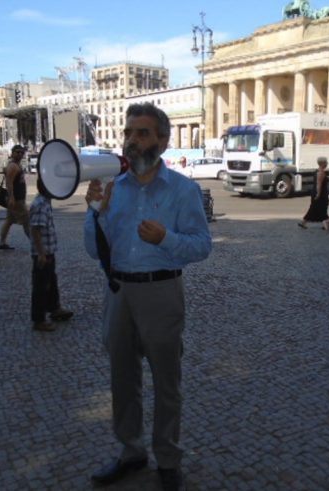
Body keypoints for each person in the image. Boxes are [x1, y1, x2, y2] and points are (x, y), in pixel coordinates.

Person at [84, 103, 212, 491]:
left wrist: (167, 239)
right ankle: (131, 452)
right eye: (128, 133)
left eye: (141, 133)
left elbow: (202, 246)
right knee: (122, 380)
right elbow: (93, 250)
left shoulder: (183, 190)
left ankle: (168, 458)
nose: (132, 141)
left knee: (166, 381)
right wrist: (95, 213)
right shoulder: (112, 190)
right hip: (119, 293)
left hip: (161, 292)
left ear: (162, 140)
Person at [29, 178, 74, 332]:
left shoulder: (44, 201)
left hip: (48, 251)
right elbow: (35, 230)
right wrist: (41, 254)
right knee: (41, 286)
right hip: (43, 253)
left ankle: (55, 308)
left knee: (51, 281)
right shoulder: (41, 204)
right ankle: (39, 319)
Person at [0, 145, 30, 250]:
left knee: (9, 220)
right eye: (17, 152)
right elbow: (9, 183)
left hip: (16, 198)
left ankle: (2, 243)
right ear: (12, 153)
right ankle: (35, 243)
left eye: (21, 152)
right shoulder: (13, 166)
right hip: (17, 199)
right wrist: (12, 197)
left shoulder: (16, 165)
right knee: (27, 220)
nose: (20, 154)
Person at [298, 156, 329, 229]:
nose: (327, 164)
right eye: (326, 162)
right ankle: (325, 225)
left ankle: (303, 223)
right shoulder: (321, 172)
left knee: (316, 209)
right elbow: (319, 184)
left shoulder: (318, 171)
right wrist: (318, 194)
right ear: (322, 163)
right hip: (320, 194)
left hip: (318, 193)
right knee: (320, 209)